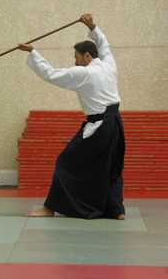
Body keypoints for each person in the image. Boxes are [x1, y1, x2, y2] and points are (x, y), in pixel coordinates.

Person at [18, 13, 125, 220]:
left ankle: (50, 208)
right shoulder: (109, 65)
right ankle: (116, 210)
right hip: (115, 124)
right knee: (111, 165)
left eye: (76, 56)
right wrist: (93, 27)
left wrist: (33, 52)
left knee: (65, 162)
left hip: (99, 127)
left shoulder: (84, 73)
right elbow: (104, 45)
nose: (74, 61)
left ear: (87, 56)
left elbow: (51, 74)